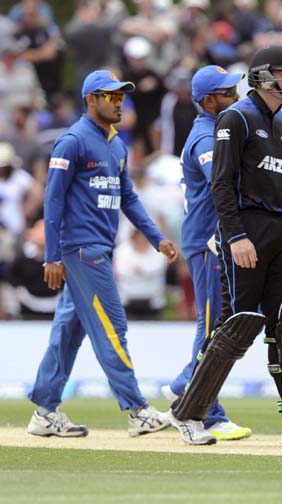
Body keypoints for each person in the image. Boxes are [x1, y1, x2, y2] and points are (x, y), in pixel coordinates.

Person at [167, 45, 282, 445]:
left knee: (280, 324)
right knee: (228, 326)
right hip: (229, 235)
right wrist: (237, 234)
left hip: (259, 234)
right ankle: (195, 410)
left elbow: (271, 182)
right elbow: (224, 184)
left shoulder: (280, 125)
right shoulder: (223, 125)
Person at [27, 69, 179, 438]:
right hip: (81, 251)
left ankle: (45, 411)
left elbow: (127, 197)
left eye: (121, 96)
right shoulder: (72, 141)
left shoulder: (115, 145)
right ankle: (137, 410)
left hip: (98, 250)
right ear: (89, 100)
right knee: (113, 328)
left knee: (68, 331)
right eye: (109, 96)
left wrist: (156, 237)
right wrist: (52, 256)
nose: (118, 102)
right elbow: (53, 198)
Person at [161, 64, 252, 442]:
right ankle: (207, 412)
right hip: (208, 240)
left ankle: (186, 385)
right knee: (214, 326)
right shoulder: (205, 138)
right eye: (228, 93)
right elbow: (223, 185)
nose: (236, 97)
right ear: (208, 100)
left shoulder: (219, 131)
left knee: (219, 326)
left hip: (216, 239)